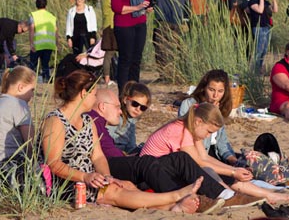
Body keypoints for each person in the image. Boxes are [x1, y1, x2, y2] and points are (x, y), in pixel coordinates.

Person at [40, 69, 203, 213]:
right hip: (68, 182)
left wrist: (107, 176)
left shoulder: (87, 121)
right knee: (114, 193)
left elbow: (98, 157)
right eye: (94, 94)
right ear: (84, 93)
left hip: (91, 179)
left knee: (126, 186)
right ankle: (176, 195)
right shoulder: (56, 121)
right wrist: (85, 177)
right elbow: (54, 163)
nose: (96, 99)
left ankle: (172, 208)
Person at [89, 89, 254, 213]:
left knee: (180, 158)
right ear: (102, 106)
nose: (120, 110)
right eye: (118, 106)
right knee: (151, 161)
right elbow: (101, 158)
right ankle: (198, 197)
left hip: (136, 167)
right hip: (136, 172)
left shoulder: (98, 124)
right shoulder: (92, 120)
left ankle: (225, 195)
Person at [141, 103, 289, 205]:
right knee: (209, 171)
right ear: (198, 122)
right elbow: (197, 162)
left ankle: (266, 194)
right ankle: (233, 196)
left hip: (166, 171)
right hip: (152, 176)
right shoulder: (179, 130)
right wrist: (232, 171)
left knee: (218, 171)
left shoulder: (189, 128)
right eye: (209, 131)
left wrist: (234, 169)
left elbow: (204, 157)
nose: (209, 136)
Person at [179, 70, 237, 165]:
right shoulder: (189, 105)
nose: (215, 96)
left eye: (220, 91)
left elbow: (222, 142)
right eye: (211, 90)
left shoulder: (220, 106)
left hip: (213, 151)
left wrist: (234, 161)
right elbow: (189, 137)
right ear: (204, 88)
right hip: (195, 153)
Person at [110, 0, 150, 92]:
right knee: (126, 58)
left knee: (136, 59)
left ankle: (134, 90)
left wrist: (147, 7)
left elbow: (145, 0)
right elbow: (116, 7)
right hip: (124, 25)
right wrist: (136, 7)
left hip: (140, 23)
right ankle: (123, 91)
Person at [146, 0, 187, 70]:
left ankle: (165, 74)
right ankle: (174, 72)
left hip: (165, 22)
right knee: (174, 48)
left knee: (161, 49)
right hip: (177, 21)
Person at [106, 81, 150, 155]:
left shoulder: (131, 122)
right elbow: (106, 140)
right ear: (125, 100)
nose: (138, 109)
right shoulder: (116, 117)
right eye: (135, 104)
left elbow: (131, 146)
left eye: (143, 108)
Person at [248, 0, 278, 72]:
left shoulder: (266, 2)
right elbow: (260, 10)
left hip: (267, 27)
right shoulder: (252, 2)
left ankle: (259, 67)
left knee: (264, 49)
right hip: (258, 27)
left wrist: (274, 0)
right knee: (259, 49)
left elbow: (275, 10)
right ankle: (256, 68)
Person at [29, 0, 58, 82]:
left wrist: (31, 43)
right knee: (45, 64)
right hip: (49, 44)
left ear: (36, 5)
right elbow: (56, 30)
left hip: (37, 44)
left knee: (33, 64)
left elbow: (31, 30)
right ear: (46, 5)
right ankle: (46, 80)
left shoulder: (33, 15)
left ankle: (31, 80)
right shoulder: (52, 16)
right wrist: (57, 43)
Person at [100, 0, 117, 87]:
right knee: (109, 53)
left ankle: (109, 76)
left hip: (108, 24)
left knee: (110, 53)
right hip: (111, 25)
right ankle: (107, 78)